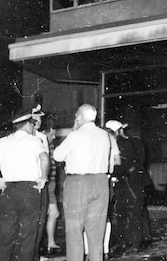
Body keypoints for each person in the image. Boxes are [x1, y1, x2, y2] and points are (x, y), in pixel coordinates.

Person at [0, 104, 49, 261]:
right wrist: (43, 178)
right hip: (30, 190)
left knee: (5, 237)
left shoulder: (4, 141)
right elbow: (44, 157)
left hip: (9, 191)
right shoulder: (34, 141)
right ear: (28, 124)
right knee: (27, 238)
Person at [53, 104, 120, 261]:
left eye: (76, 116)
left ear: (80, 118)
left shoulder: (75, 135)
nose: (75, 118)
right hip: (101, 182)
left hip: (78, 183)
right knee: (96, 234)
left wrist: (73, 130)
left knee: (74, 232)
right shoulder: (104, 135)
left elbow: (57, 156)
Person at [105, 120, 148, 255]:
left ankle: (131, 243)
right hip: (131, 180)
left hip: (129, 181)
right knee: (133, 211)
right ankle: (135, 242)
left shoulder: (119, 143)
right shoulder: (130, 142)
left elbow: (121, 165)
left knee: (129, 212)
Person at [37, 116, 63, 258]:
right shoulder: (43, 144)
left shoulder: (50, 145)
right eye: (52, 133)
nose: (54, 135)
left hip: (51, 184)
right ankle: (44, 245)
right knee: (50, 214)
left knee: (53, 214)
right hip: (47, 184)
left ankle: (50, 242)